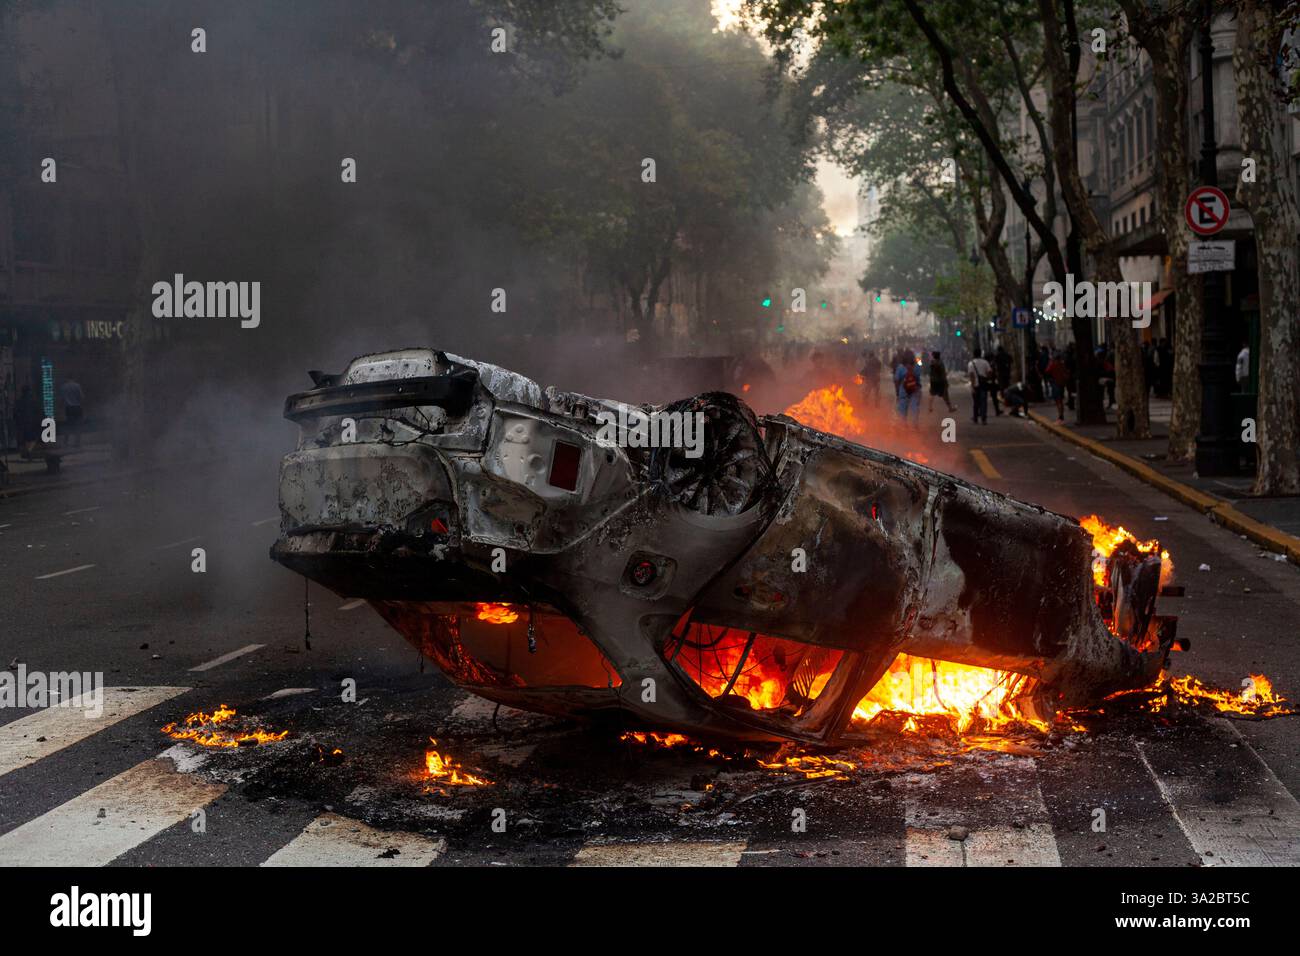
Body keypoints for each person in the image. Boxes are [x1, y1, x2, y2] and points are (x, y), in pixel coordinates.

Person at [894, 350, 922, 425]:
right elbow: (918, 377)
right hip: (915, 390)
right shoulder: (917, 366)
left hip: (903, 390)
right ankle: (914, 424)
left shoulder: (900, 367)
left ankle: (903, 426)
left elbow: (896, 380)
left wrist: (897, 392)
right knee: (915, 408)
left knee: (902, 409)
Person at [967, 348, 993, 424]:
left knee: (976, 402)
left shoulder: (971, 363)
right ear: (980, 354)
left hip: (975, 385)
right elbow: (990, 372)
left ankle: (975, 418)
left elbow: (971, 375)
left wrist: (972, 386)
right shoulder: (985, 362)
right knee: (983, 402)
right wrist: (986, 378)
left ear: (974, 354)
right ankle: (983, 419)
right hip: (984, 384)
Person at [15, 384, 42, 459]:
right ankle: (29, 451)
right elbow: (38, 412)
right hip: (31, 423)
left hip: (22, 423)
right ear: (29, 392)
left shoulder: (18, 401)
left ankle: (26, 452)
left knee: (23, 440)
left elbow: (15, 413)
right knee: (33, 439)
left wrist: (17, 422)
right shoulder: (33, 401)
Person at [1044, 350, 1070, 423]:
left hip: (1055, 383)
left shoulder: (1052, 364)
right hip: (1061, 384)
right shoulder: (1062, 364)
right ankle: (1061, 416)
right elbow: (1067, 373)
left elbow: (1047, 371)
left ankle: (1060, 417)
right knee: (1060, 401)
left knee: (1058, 401)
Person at [60, 378, 83, 449]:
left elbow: (62, 399)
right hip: (77, 407)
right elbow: (81, 397)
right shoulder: (77, 386)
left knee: (68, 425)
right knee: (78, 425)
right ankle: (77, 443)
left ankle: (65, 442)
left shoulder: (63, 387)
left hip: (69, 408)